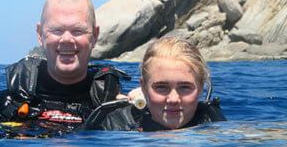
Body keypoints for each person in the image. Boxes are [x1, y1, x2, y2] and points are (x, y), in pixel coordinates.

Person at [0, 0, 128, 133]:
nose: (67, 39)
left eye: (78, 31)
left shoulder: (115, 108)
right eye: (57, 30)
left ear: (94, 35)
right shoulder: (6, 105)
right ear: (40, 34)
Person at [82, 37, 226, 131]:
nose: (173, 99)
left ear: (201, 88)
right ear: (144, 88)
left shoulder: (212, 123)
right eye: (162, 87)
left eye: (185, 87)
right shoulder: (115, 125)